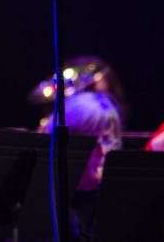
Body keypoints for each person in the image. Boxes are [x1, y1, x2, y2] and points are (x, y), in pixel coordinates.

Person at [46, 91, 122, 241]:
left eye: (107, 140)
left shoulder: (116, 200)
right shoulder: (49, 201)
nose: (102, 152)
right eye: (93, 143)